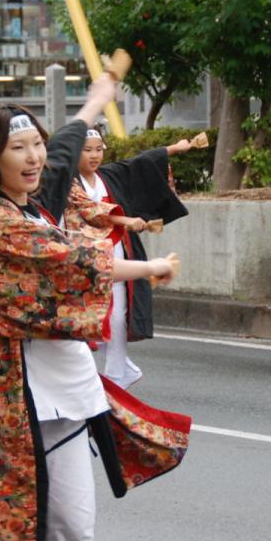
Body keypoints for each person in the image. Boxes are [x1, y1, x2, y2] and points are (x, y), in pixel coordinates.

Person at [0, 75, 191, 541]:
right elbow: (71, 259)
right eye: (19, 148)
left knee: (75, 536)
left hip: (68, 392)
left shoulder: (37, 207)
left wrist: (96, 102)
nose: (34, 158)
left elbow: (64, 153)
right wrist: (148, 268)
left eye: (37, 144)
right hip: (7, 398)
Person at [69, 126, 192, 388]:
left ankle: (116, 375)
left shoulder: (108, 175)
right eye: (87, 150)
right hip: (82, 257)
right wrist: (127, 219)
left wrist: (175, 149)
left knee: (118, 312)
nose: (94, 155)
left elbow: (140, 164)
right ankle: (119, 368)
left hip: (116, 250)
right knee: (87, 315)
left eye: (99, 149)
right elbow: (91, 211)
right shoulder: (68, 183)